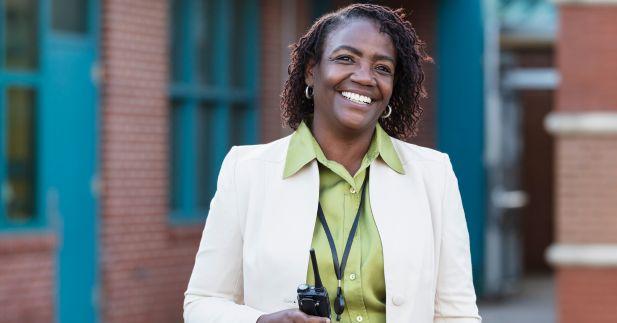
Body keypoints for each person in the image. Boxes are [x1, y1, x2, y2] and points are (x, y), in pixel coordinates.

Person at [183, 4, 480, 323]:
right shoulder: (246, 171)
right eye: (345, 59)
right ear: (312, 70)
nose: (365, 77)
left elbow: (457, 314)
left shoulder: (434, 175)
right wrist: (260, 322)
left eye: (382, 68)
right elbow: (203, 302)